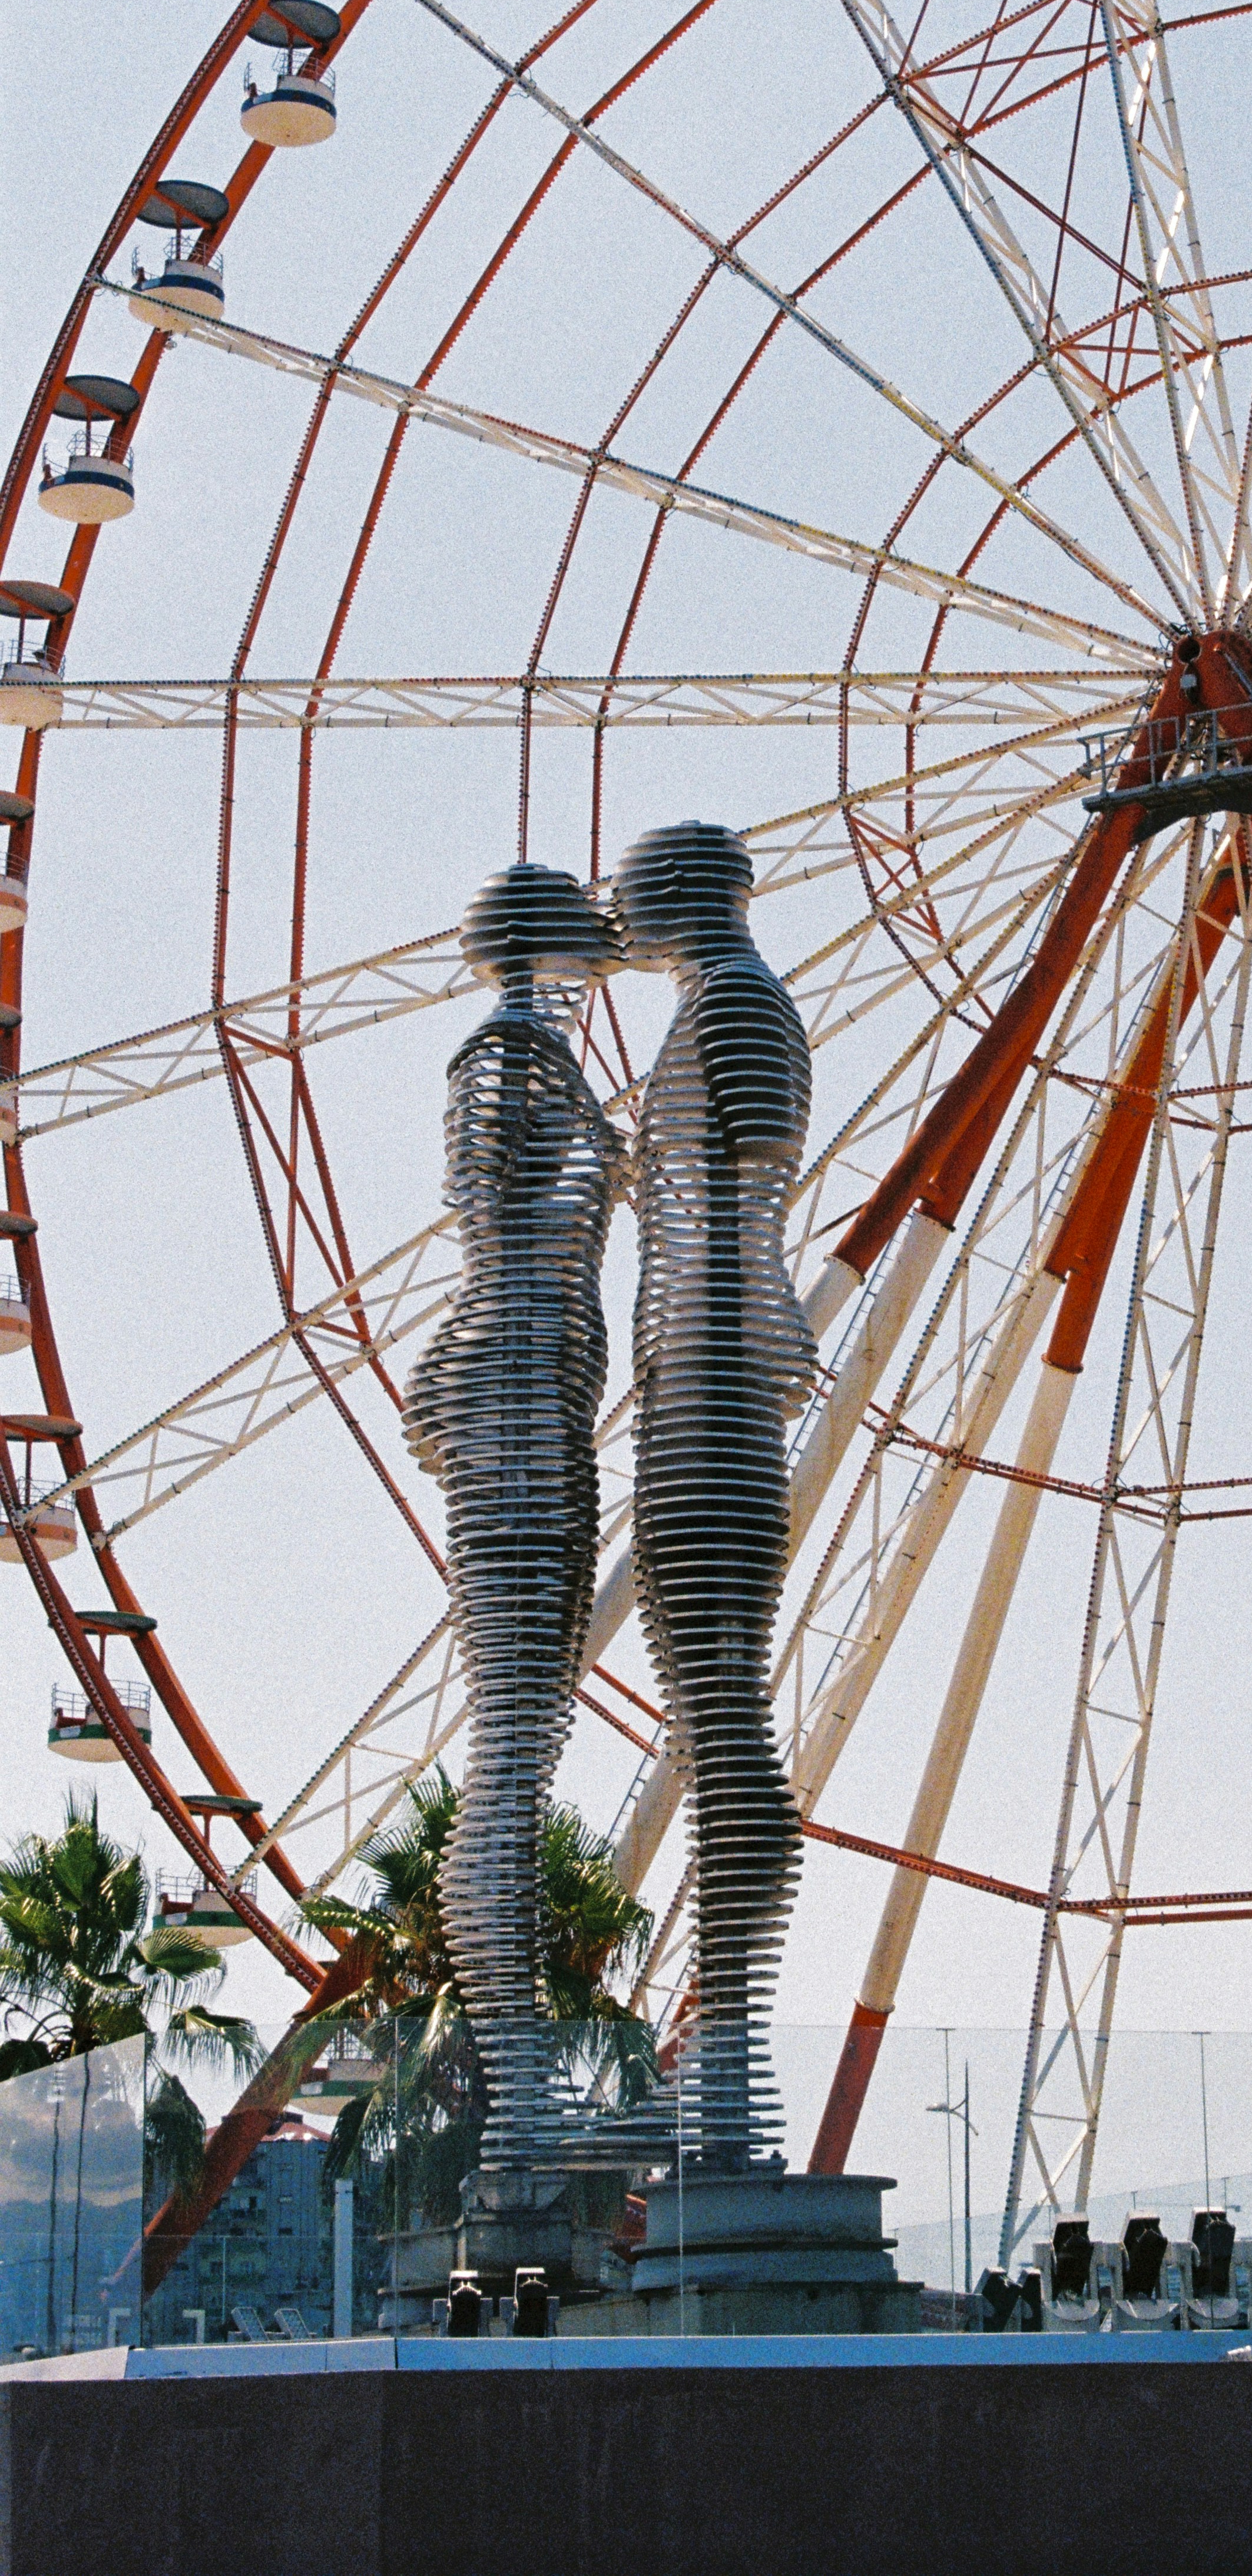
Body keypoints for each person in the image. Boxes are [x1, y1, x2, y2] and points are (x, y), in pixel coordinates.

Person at [405, 864, 627, 2171]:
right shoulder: (504, 1051)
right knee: (510, 1752)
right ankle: (522, 2107)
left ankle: (527, 2098)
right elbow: (490, 1214)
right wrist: (610, 1160)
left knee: (524, 1737)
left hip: (535, 1390)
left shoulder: (531, 1055)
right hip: (515, 1394)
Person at [613, 822, 815, 2170]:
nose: (616, 909)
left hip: (714, 1394)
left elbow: (746, 1203)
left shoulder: (738, 1006)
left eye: (633, 888)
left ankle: (729, 2064)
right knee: (712, 1719)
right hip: (697, 1386)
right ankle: (720, 2070)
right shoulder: (714, 1014)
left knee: (727, 1725)